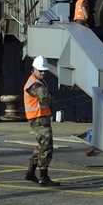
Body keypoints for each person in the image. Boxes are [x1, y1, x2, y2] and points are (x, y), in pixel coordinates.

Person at [23, 55, 60, 186]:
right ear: (34, 69)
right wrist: (50, 98)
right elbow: (44, 98)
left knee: (41, 146)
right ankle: (43, 177)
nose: (43, 73)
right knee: (46, 146)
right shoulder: (34, 84)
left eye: (45, 71)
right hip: (38, 118)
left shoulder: (39, 82)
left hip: (41, 118)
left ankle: (31, 172)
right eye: (41, 70)